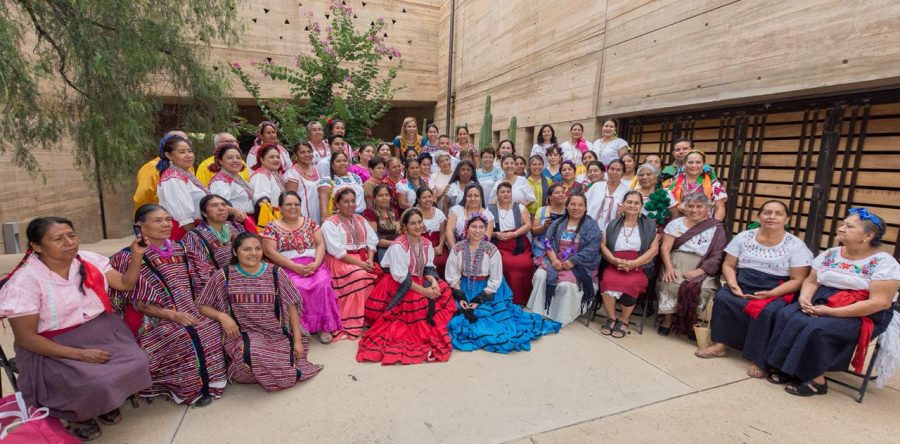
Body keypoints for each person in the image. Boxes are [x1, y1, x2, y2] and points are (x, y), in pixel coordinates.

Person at [0, 217, 152, 441]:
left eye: (71, 235)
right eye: (58, 238)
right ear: (36, 245)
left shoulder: (88, 260)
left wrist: (137, 256)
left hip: (100, 331)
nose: (69, 242)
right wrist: (80, 354)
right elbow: (26, 338)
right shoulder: (25, 282)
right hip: (50, 345)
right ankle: (80, 416)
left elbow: (125, 284)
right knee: (94, 380)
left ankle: (101, 403)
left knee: (139, 360)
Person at [764, 208, 898, 397]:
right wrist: (804, 298)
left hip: (863, 312)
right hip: (824, 299)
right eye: (843, 224)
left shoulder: (884, 262)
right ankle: (788, 368)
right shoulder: (832, 253)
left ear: (868, 235)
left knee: (819, 327)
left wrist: (831, 312)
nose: (841, 228)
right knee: (787, 314)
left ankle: (816, 379)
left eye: (849, 226)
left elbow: (880, 302)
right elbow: (812, 280)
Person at [109, 205, 225, 407]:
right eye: (157, 220)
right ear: (140, 227)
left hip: (191, 306)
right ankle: (185, 389)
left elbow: (204, 280)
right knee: (184, 335)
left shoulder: (182, 249)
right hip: (155, 317)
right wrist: (172, 315)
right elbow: (135, 300)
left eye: (168, 219)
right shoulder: (126, 257)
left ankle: (212, 379)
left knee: (211, 326)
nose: (165, 224)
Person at [695, 201, 813, 380]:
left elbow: (798, 279)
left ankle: (759, 359)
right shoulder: (744, 237)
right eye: (767, 213)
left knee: (768, 311)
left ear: (787, 219)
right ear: (759, 216)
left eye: (778, 214)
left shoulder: (796, 245)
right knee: (724, 297)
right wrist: (733, 283)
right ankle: (721, 345)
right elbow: (728, 264)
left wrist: (772, 293)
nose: (772, 217)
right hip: (743, 282)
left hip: (776, 288)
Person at [198, 233, 323, 391]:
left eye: (258, 248)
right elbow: (202, 305)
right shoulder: (224, 276)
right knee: (251, 358)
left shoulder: (275, 272)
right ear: (236, 252)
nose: (254, 253)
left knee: (274, 364)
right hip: (244, 335)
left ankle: (280, 365)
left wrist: (297, 341)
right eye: (247, 249)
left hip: (278, 334)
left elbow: (292, 306)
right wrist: (221, 316)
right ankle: (271, 366)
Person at [446, 214, 561, 353]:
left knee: (489, 322)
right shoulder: (458, 248)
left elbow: (495, 279)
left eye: (481, 227)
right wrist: (461, 296)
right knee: (452, 317)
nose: (477, 231)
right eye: (473, 227)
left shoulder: (492, 250)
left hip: (486, 289)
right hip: (463, 288)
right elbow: (452, 274)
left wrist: (478, 300)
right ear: (467, 228)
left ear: (485, 230)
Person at [358, 209, 456, 364]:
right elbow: (401, 276)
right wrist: (425, 291)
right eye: (413, 223)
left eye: (419, 222)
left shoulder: (426, 243)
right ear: (404, 227)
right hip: (399, 282)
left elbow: (428, 268)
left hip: (419, 278)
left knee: (443, 289)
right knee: (418, 301)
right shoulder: (399, 246)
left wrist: (434, 282)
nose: (417, 226)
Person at [261, 191, 343, 344]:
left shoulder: (310, 223)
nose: (293, 207)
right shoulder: (272, 227)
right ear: (280, 207)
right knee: (297, 286)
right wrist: (295, 267)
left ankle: (323, 326)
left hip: (313, 264)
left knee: (322, 283)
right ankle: (301, 327)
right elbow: (269, 252)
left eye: (296, 204)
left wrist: (317, 263)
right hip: (287, 266)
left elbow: (320, 244)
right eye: (288, 204)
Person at [657, 193, 727, 336]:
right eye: (690, 206)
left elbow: (718, 254)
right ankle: (668, 319)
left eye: (699, 206)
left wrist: (699, 271)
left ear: (708, 208)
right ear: (684, 208)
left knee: (704, 289)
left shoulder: (716, 227)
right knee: (670, 283)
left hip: (704, 265)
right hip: (677, 260)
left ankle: (691, 322)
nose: (694, 210)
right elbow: (665, 248)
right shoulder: (676, 224)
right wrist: (669, 267)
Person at [527, 193, 601, 326]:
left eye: (580, 205)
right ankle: (540, 312)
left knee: (565, 285)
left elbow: (592, 249)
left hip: (579, 265)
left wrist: (572, 262)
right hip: (555, 260)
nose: (576, 208)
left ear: (585, 208)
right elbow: (547, 242)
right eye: (573, 204)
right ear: (566, 206)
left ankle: (560, 317)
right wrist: (554, 260)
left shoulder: (592, 225)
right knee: (540, 275)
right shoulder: (557, 223)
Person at [321, 189, 382, 340]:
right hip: (340, 262)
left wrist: (369, 259)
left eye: (353, 201)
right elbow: (338, 252)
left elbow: (372, 241)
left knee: (377, 276)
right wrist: (362, 264)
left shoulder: (360, 219)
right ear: (337, 204)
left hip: (362, 259)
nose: (351, 205)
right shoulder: (330, 223)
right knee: (361, 276)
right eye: (346, 201)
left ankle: (366, 318)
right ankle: (350, 322)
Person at [598, 192, 660, 338]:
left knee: (630, 284)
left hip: (640, 265)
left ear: (641, 206)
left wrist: (634, 264)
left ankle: (624, 320)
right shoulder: (612, 224)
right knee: (607, 281)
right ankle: (612, 318)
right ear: (623, 205)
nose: (632, 205)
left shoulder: (650, 225)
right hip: (615, 263)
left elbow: (654, 250)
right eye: (629, 202)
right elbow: (603, 245)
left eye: (636, 203)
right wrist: (613, 260)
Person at [156, 133, 212, 240]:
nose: (188, 155)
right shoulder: (172, 177)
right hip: (184, 231)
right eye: (182, 152)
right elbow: (183, 216)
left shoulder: (184, 174)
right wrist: (199, 239)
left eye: (190, 151)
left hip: (195, 228)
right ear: (169, 155)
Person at [489, 182, 534, 305]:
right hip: (499, 244)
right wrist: (495, 234)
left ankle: (523, 299)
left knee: (525, 264)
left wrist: (514, 234)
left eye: (508, 192)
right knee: (506, 264)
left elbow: (528, 225)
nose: (506, 194)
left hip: (518, 243)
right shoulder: (490, 208)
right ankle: (506, 299)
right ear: (497, 194)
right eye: (502, 192)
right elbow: (485, 230)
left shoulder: (519, 207)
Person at [183, 195, 247, 271]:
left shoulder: (237, 227)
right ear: (204, 213)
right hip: (220, 280)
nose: (221, 208)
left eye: (223, 205)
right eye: (214, 205)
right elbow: (201, 269)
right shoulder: (194, 237)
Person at [666, 150, 727, 221]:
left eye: (698, 162)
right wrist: (676, 208)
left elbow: (720, 208)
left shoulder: (713, 184)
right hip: (676, 226)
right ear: (684, 165)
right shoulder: (671, 182)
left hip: (703, 227)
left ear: (703, 165)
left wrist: (713, 227)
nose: (694, 165)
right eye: (690, 162)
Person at [208, 142, 255, 225]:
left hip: (248, 220)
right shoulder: (220, 181)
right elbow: (218, 206)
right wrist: (235, 211)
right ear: (220, 161)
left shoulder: (238, 178)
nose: (235, 160)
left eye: (238, 157)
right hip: (234, 223)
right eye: (230, 158)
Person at [285, 141, 328, 225]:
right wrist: (298, 218)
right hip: (301, 218)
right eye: (302, 152)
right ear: (296, 155)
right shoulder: (292, 173)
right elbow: (291, 198)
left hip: (318, 215)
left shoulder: (316, 170)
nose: (307, 154)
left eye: (309, 151)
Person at [446, 183, 495, 250]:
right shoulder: (456, 210)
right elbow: (449, 231)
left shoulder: (488, 215)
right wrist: (454, 250)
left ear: (481, 198)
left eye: (476, 196)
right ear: (465, 197)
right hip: (456, 248)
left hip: (479, 251)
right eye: (469, 196)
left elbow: (486, 238)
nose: (472, 198)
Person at [250, 143, 287, 231]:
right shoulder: (260, 175)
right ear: (262, 159)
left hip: (279, 217)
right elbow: (262, 202)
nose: (276, 160)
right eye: (271, 157)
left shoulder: (274, 175)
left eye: (278, 157)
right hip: (270, 220)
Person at [319, 151, 366, 218]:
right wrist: (338, 194)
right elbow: (325, 208)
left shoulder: (356, 178)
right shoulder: (326, 181)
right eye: (338, 161)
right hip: (341, 218)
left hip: (361, 217)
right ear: (332, 165)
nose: (342, 163)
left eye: (345, 160)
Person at [531, 184, 567, 267]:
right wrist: (544, 227)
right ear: (550, 197)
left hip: (562, 250)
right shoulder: (542, 210)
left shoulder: (569, 212)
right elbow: (533, 231)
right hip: (541, 249)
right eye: (557, 192)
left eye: (562, 192)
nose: (561, 194)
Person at [363, 184, 401, 263]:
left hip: (397, 248)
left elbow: (398, 233)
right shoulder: (370, 213)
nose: (384, 198)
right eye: (380, 195)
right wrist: (396, 244)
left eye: (387, 195)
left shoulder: (394, 212)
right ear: (374, 198)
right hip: (380, 250)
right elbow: (375, 240)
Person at [416, 187, 448, 276]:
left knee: (442, 261)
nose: (427, 200)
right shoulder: (414, 213)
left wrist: (440, 246)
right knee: (422, 262)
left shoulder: (439, 213)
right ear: (418, 199)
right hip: (420, 244)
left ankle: (442, 286)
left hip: (437, 243)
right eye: (424, 197)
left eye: (429, 196)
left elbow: (443, 233)